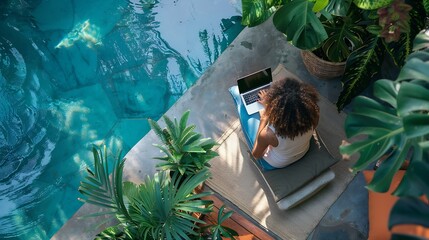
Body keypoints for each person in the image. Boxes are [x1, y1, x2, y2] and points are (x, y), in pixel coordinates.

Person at [229, 77, 320, 171]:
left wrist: (264, 118)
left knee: (236, 93)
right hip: (303, 151)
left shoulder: (268, 134)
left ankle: (233, 91)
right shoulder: (314, 113)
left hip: (277, 163)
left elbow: (256, 155)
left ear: (276, 110)